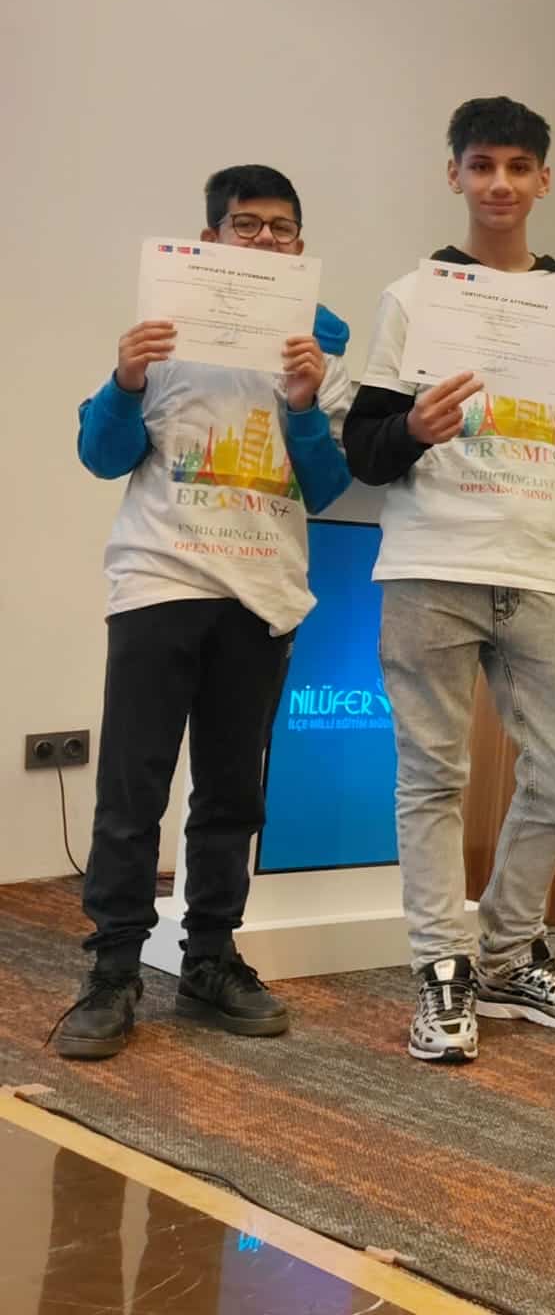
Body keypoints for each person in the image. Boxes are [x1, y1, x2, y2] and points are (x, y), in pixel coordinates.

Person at [344, 97, 555, 1064]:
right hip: (431, 567)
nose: (498, 184)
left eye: (516, 167)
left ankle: (505, 954)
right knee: (432, 776)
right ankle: (441, 968)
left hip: (542, 571)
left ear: (544, 179)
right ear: (454, 176)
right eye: (480, 166)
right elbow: (364, 450)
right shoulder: (412, 296)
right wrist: (412, 428)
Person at [53, 165, 353, 1061]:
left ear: (300, 246)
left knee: (231, 793)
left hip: (260, 591)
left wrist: (305, 404)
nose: (263, 240)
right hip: (160, 581)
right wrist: (124, 379)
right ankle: (112, 970)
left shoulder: (320, 354)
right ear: (209, 238)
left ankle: (210, 958)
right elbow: (101, 456)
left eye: (280, 228)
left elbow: (327, 487)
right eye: (244, 224)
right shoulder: (163, 333)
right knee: (132, 787)